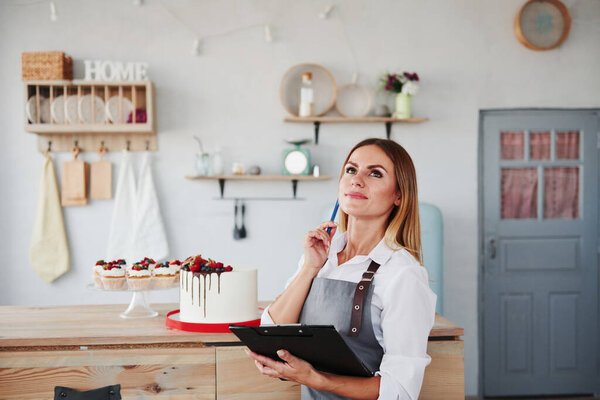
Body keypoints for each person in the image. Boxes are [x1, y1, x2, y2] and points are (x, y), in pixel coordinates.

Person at [247, 138, 437, 400]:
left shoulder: (403, 274)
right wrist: (309, 269)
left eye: (374, 173)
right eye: (351, 169)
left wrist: (317, 380)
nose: (356, 180)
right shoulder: (320, 254)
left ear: (399, 195)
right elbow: (272, 329)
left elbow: (400, 391)